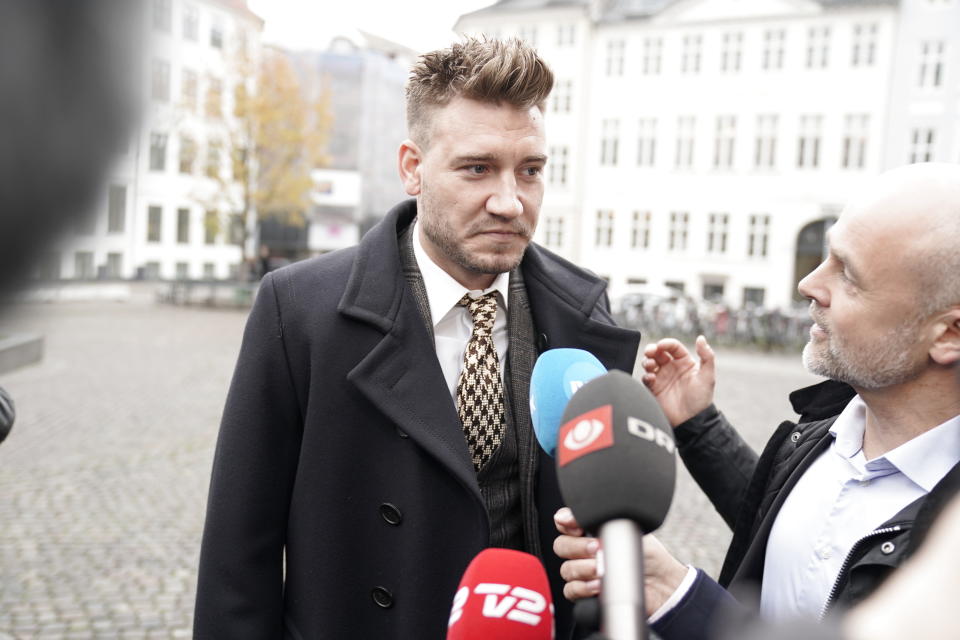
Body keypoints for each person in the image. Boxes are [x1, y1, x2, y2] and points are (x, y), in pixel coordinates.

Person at [193, 37, 641, 639]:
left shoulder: (584, 314)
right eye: (477, 168)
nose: (510, 201)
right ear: (413, 168)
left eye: (530, 171)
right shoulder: (301, 311)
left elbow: (605, 533)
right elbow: (237, 552)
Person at [554, 162, 960, 638]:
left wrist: (682, 598)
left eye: (848, 274)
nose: (809, 284)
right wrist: (697, 423)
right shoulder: (820, 431)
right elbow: (773, 514)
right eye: (826, 255)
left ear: (949, 333)